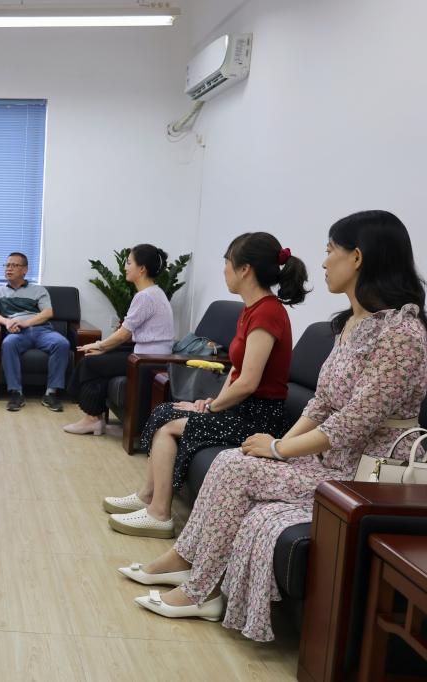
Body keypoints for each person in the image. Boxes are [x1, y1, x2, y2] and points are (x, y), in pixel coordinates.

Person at [122, 210, 427, 642]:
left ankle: (200, 589)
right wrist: (280, 444)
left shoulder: (402, 332)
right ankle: (187, 564)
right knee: (232, 460)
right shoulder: (351, 324)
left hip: (365, 475)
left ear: (357, 257)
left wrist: (280, 450)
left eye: (330, 251)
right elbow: (321, 404)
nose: (324, 262)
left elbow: (354, 422)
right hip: (329, 458)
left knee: (234, 467)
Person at [105, 232, 309, 539]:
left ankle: (159, 514)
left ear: (245, 269)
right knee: (165, 411)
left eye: (227, 262)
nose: (224, 269)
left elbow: (248, 382)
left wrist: (212, 408)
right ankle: (147, 495)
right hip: (241, 408)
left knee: (166, 425)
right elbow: (236, 370)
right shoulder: (252, 309)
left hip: (258, 419)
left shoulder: (268, 313)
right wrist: (210, 402)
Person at [64, 244, 174, 435]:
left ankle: (91, 419)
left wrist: (99, 344)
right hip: (147, 353)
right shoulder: (155, 292)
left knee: (89, 363)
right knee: (95, 358)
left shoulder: (145, 297)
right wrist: (104, 349)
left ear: (142, 269)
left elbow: (124, 334)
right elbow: (128, 333)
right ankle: (93, 419)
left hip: (146, 359)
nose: (125, 267)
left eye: (129, 263)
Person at [0, 252, 71, 412]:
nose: (9, 269)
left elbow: (48, 313)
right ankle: (16, 393)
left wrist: (26, 323)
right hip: (17, 333)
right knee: (8, 344)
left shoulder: (38, 290)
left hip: (42, 330)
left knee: (62, 343)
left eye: (14, 265)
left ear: (25, 270)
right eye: (7, 265)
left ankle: (51, 393)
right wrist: (7, 322)